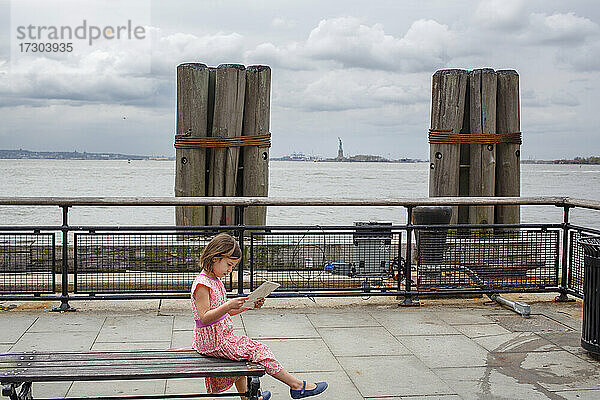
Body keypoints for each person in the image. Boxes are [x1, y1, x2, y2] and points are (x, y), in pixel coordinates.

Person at [191, 233, 328, 400]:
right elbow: (205, 317)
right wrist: (228, 305)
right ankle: (297, 386)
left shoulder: (215, 280)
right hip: (215, 343)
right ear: (215, 257)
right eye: (229, 265)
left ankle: (247, 398)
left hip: (219, 339)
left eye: (233, 267)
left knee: (242, 356)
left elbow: (222, 313)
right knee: (260, 350)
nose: (229, 270)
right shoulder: (202, 285)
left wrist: (247, 306)